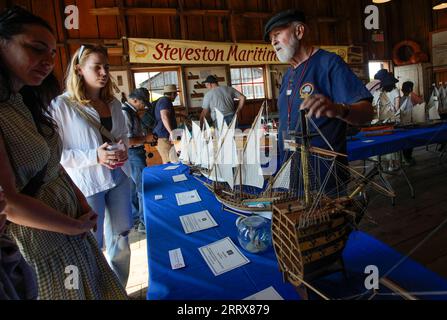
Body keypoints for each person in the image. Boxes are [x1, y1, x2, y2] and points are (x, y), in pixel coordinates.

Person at [0, 6, 127, 299]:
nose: (47, 61)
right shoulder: (61, 106)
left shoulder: (28, 102)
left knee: (105, 260)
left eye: (52, 54)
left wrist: (78, 208)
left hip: (79, 205)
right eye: (36, 49)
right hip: (44, 232)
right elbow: (9, 201)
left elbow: (52, 163)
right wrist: (73, 223)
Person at [50, 44, 132, 287]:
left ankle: (117, 287)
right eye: (96, 67)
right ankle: (93, 290)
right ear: (79, 69)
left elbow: (122, 135)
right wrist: (94, 157)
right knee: (91, 242)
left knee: (122, 236)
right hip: (88, 183)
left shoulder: (114, 104)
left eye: (106, 67)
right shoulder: (62, 106)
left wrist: (123, 150)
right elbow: (56, 154)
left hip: (119, 178)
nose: (103, 72)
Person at [264, 9, 374, 193]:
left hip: (325, 178)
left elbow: (367, 113)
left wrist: (339, 109)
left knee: (331, 222)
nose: (273, 42)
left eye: (277, 34)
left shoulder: (329, 64)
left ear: (299, 31)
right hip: (292, 175)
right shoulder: (288, 74)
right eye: (270, 39)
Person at [122, 88, 149, 233]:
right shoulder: (126, 113)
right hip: (133, 153)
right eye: (142, 103)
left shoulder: (131, 112)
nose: (143, 107)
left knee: (133, 188)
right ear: (135, 100)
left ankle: (136, 218)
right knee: (142, 188)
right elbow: (127, 141)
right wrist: (146, 139)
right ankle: (144, 223)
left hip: (133, 154)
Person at [154, 84, 179, 164]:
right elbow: (164, 116)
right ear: (172, 94)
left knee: (171, 159)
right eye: (175, 94)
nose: (176, 95)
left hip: (163, 135)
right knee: (169, 162)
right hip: (163, 136)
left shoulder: (163, 100)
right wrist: (171, 132)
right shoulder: (165, 101)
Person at [400, 81, 423, 165]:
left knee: (405, 142)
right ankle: (408, 158)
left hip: (402, 123)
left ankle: (406, 158)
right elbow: (421, 102)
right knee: (409, 142)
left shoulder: (401, 98)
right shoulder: (411, 97)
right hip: (409, 123)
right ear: (410, 89)